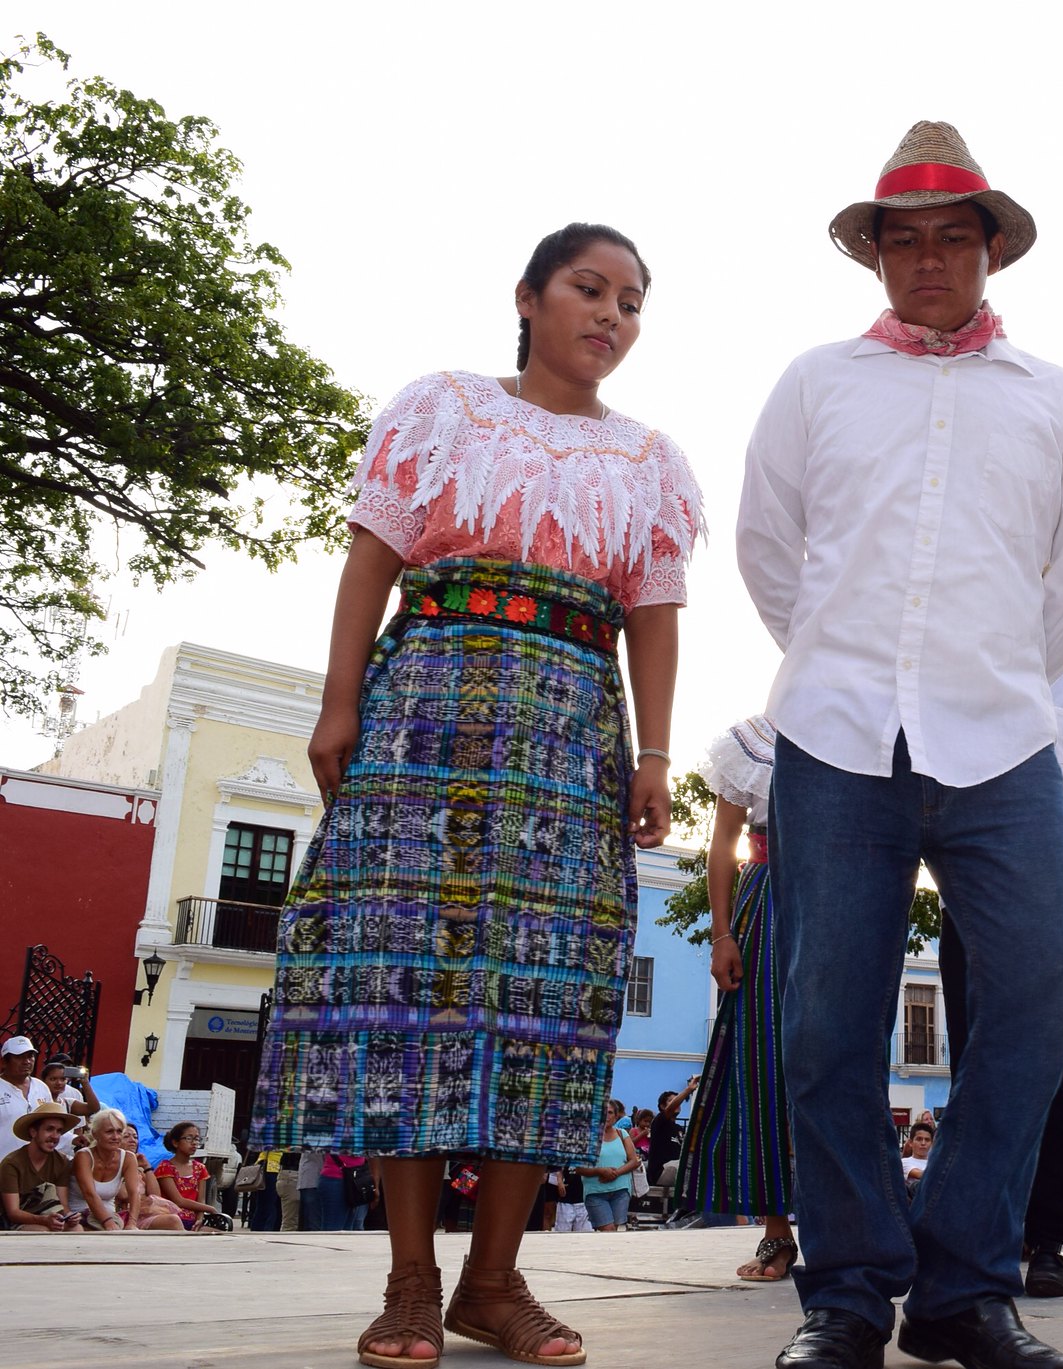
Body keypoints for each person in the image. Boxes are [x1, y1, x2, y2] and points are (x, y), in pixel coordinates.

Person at [247, 221, 699, 1369]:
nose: (611, 315)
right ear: (529, 296)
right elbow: (371, 556)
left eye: (632, 301)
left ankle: (493, 1281)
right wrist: (337, 700)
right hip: (426, 713)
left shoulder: (649, 459)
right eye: (589, 289)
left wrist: (653, 756)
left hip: (566, 733)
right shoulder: (442, 406)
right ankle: (410, 1281)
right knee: (411, 980)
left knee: (546, 997)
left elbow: (651, 612)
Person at [737, 121, 1063, 1369]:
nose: (928, 262)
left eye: (953, 239)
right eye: (903, 241)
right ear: (874, 256)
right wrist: (845, 658)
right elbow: (769, 551)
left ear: (991, 249)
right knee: (825, 1015)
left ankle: (964, 1287)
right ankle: (845, 1295)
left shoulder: (1056, 400)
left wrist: (996, 669)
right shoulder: (816, 382)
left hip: (1003, 736)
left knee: (1034, 996)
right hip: (836, 737)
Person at [938, 658, 1063, 1300]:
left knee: (1056, 1068)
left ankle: (1052, 1235)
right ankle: (977, 1235)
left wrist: (1059, 846)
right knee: (971, 1064)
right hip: (969, 895)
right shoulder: (965, 668)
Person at [676, 714, 797, 1283]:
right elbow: (722, 843)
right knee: (763, 1061)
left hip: (850, 892)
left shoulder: (877, 723)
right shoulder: (755, 740)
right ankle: (778, 1230)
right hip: (770, 900)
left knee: (847, 1057)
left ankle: (851, 1230)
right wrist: (723, 933)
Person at [2, 1103, 84, 1231]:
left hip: (47, 1216)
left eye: (59, 1131)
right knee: (43, 1232)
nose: (55, 1136)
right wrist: (44, 1220)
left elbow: (62, 1205)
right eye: (49, 1129)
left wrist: (69, 1217)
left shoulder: (62, 1162)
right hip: (12, 1222)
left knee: (76, 1229)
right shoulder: (11, 1164)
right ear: (33, 1132)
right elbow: (13, 1213)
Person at [576, 1100, 640, 1233]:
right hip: (595, 1192)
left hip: (620, 1191)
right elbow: (579, 1168)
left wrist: (615, 1174)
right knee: (608, 1230)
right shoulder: (587, 1136)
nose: (606, 1116)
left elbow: (633, 1161)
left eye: (610, 1112)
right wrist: (600, 1171)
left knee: (613, 1232)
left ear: (616, 1116)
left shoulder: (622, 1134)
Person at [155, 1121, 224, 1231]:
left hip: (193, 1221)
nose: (194, 1143)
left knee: (220, 1235)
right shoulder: (165, 1167)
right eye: (189, 1138)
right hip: (172, 1219)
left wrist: (199, 1219)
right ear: (175, 1143)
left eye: (197, 1139)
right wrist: (210, 1209)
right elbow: (178, 1200)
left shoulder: (200, 1168)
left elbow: (201, 1200)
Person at [0, 1037, 53, 1163]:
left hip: (36, 1167)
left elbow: (51, 1124)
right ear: (4, 1062)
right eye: (19, 1057)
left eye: (30, 1056)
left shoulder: (41, 1087)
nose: (27, 1061)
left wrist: (72, 1139)